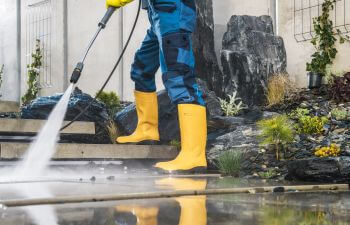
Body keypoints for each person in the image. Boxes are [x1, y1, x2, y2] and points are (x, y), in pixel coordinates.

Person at [106, 0, 207, 173]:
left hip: (173, 13)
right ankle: (147, 129)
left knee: (179, 78)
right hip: (158, 15)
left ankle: (193, 155)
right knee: (141, 68)